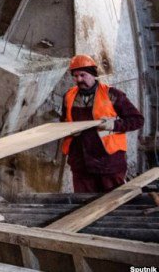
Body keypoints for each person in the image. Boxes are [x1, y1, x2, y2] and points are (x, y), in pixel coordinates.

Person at [61, 54, 144, 193]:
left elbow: (137, 120)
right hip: (81, 162)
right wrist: (68, 130)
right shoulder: (69, 96)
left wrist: (114, 125)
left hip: (108, 161)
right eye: (75, 76)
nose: (78, 80)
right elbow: (63, 120)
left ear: (93, 74)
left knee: (113, 202)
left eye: (82, 75)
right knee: (83, 205)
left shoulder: (112, 94)